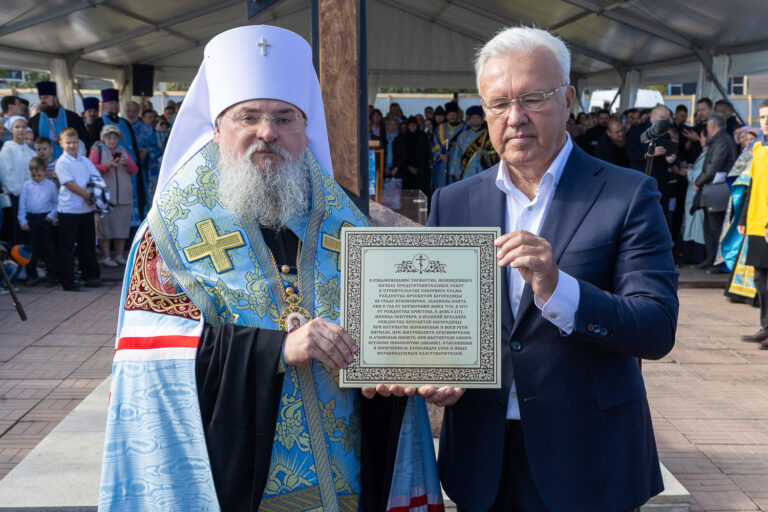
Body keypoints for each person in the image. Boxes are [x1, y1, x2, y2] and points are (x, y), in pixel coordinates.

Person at [99, 25, 441, 511]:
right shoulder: (169, 233)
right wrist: (278, 348)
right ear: (218, 129)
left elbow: (396, 329)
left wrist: (424, 364)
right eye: (249, 117)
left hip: (347, 476)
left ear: (306, 130)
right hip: (235, 480)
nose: (268, 132)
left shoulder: (347, 222)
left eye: (285, 118)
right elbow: (150, 359)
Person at [425, 26, 677, 511]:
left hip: (589, 458)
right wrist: (433, 368)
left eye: (533, 98)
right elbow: (443, 325)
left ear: (568, 99)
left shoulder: (627, 194)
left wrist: (559, 288)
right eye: (498, 104)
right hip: (482, 459)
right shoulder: (454, 202)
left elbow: (656, 327)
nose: (515, 118)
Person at [89, 89, 145, 225]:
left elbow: (134, 147)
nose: (114, 106)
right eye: (111, 103)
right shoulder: (97, 123)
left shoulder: (125, 123)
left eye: (116, 102)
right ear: (104, 104)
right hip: (108, 173)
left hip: (128, 169)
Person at [55, 127, 101, 291]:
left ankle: (90, 276)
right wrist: (88, 196)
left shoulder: (84, 161)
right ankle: (68, 281)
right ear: (61, 143)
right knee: (67, 247)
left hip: (86, 210)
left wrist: (95, 196)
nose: (72, 146)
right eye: (68, 143)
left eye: (74, 143)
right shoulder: (61, 162)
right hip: (69, 210)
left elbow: (96, 177)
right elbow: (69, 184)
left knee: (87, 244)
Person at [738, 100, 768, 344]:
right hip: (756, 222)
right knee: (760, 279)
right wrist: (743, 217)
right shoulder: (758, 147)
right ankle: (765, 327)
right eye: (762, 117)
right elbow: (751, 186)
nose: (765, 121)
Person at [693, 112, 738, 270]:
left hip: (716, 191)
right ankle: (710, 259)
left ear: (711, 126)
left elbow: (713, 168)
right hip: (712, 191)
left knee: (716, 229)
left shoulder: (722, 141)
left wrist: (698, 182)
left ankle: (718, 262)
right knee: (709, 227)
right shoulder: (721, 140)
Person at [89, 125, 138, 266]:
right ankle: (105, 256)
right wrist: (106, 166)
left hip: (123, 194)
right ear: (103, 138)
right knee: (105, 227)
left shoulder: (122, 151)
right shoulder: (96, 149)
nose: (111, 140)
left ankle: (118, 255)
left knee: (121, 226)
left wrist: (127, 163)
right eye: (108, 137)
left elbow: (134, 170)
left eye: (114, 137)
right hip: (104, 195)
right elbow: (91, 167)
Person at [17, 157, 57, 286]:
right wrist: (22, 220)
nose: (37, 177)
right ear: (30, 172)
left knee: (48, 249)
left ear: (45, 171)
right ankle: (32, 275)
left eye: (39, 175)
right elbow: (21, 204)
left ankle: (51, 276)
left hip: (45, 219)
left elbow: (56, 202)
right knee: (31, 249)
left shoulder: (50, 185)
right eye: (34, 175)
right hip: (31, 220)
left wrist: (51, 215)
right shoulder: (27, 185)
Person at [0, 116, 37, 246]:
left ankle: (28, 263)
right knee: (15, 233)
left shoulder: (31, 153)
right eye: (17, 127)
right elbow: (6, 174)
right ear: (11, 129)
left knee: (28, 233)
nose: (21, 130)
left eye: (23, 127)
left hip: (30, 198)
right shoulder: (7, 149)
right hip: (14, 197)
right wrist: (20, 192)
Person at [28, 81, 89, 158]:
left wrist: (67, 139)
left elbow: (85, 141)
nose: (42, 101)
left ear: (55, 98)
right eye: (40, 98)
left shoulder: (72, 117)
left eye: (46, 97)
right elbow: (29, 145)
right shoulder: (34, 120)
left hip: (68, 164)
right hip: (43, 166)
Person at [449, 105, 499, 181]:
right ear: (469, 120)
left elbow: (496, 154)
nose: (475, 120)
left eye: (477, 117)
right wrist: (457, 171)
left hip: (484, 172)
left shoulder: (489, 135)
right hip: (466, 173)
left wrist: (484, 153)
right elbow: (457, 154)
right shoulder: (463, 136)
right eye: (473, 118)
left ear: (482, 120)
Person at [394, 116, 431, 197]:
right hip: (407, 171)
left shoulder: (423, 137)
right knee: (408, 194)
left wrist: (418, 168)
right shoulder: (403, 138)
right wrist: (409, 167)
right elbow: (402, 155)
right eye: (410, 125)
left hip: (421, 170)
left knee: (421, 193)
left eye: (414, 125)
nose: (412, 127)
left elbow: (426, 153)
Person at [432, 102, 466, 190]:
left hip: (457, 163)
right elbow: (434, 143)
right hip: (442, 163)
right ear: (446, 116)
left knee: (456, 188)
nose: (452, 117)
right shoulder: (439, 128)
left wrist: (459, 144)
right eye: (450, 114)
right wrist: (440, 154)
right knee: (441, 186)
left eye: (454, 114)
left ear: (457, 115)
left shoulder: (464, 128)